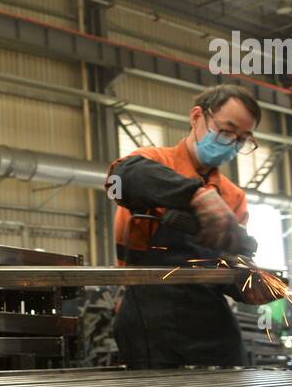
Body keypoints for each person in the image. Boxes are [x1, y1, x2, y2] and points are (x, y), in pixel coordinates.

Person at [107, 85, 277, 369]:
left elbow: (227, 267)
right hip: (148, 322)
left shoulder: (233, 197)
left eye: (242, 139)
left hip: (210, 326)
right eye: (227, 130)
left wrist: (248, 285)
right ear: (197, 117)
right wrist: (195, 195)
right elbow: (121, 180)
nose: (233, 143)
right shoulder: (152, 161)